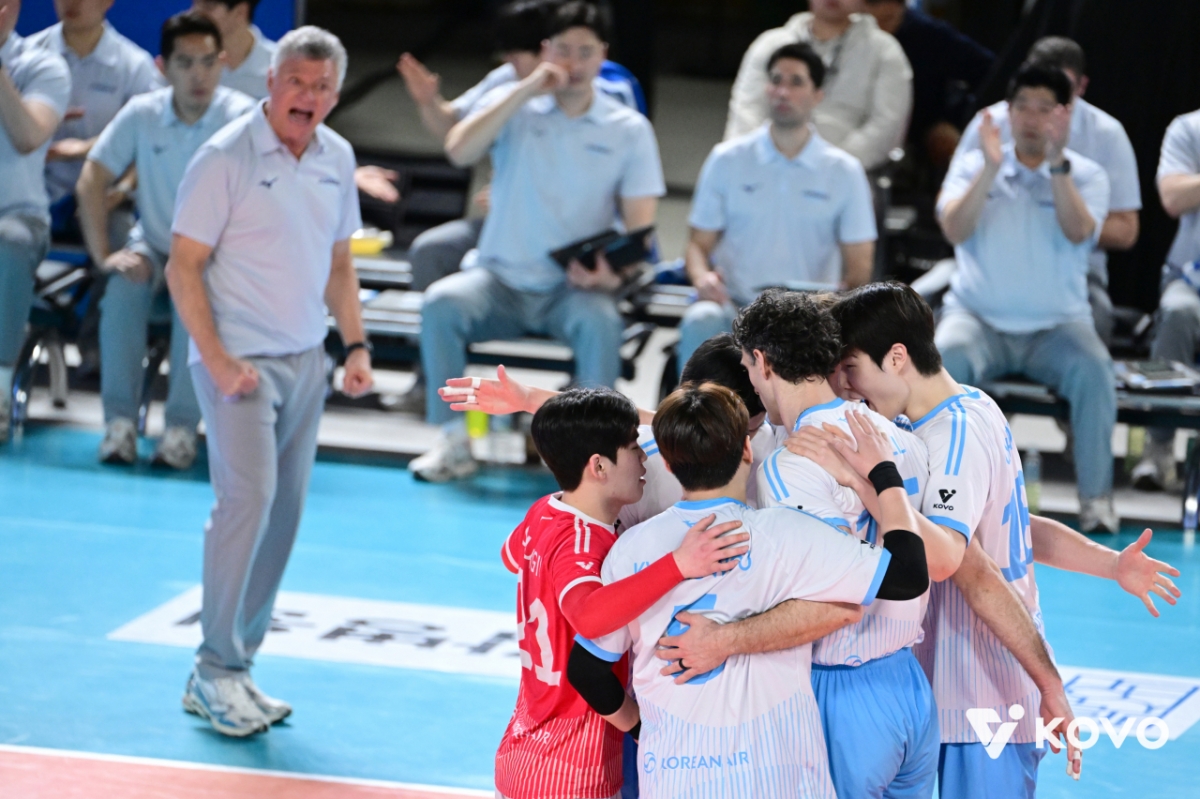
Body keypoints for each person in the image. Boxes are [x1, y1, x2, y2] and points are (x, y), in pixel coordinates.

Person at [830, 282, 1180, 796]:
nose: (849, 386)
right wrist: (1110, 565)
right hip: (974, 695)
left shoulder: (953, 439)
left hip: (977, 697)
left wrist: (870, 481)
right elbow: (1015, 524)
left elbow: (952, 557)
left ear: (897, 357)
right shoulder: (977, 407)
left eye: (853, 368)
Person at [569, 381, 930, 798]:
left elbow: (587, 668)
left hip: (675, 777)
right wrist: (884, 476)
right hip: (780, 779)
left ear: (668, 464)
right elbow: (908, 577)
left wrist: (640, 728)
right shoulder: (787, 532)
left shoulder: (631, 549)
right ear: (746, 450)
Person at [165, 26, 372, 737]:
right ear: (270, 83)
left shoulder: (337, 157)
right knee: (246, 502)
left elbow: (339, 264)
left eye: (320, 88)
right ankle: (213, 664)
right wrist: (217, 360)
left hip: (305, 357)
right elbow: (181, 265)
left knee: (282, 516)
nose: (307, 97)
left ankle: (235, 667)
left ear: (334, 96)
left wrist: (354, 344)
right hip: (239, 363)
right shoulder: (224, 155)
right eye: (296, 83)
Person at [411, 1, 664, 483]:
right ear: (545, 51)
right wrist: (525, 88)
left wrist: (611, 274)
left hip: (571, 292)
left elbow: (639, 229)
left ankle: (594, 460)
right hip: (498, 279)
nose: (572, 61)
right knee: (441, 303)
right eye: (562, 49)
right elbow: (459, 149)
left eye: (585, 51)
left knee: (602, 323)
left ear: (602, 55)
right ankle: (452, 441)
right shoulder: (516, 106)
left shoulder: (627, 130)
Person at [726, 288, 965, 797]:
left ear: (763, 363)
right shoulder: (897, 436)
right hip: (910, 686)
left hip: (838, 691)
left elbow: (833, 603)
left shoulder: (789, 468)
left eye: (747, 366)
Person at [493, 386, 749, 799]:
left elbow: (511, 555)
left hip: (527, 747)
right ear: (599, 466)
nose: (645, 457)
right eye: (633, 447)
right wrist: (678, 564)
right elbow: (591, 616)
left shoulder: (544, 510)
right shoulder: (584, 544)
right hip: (570, 768)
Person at [936, 63, 1118, 532]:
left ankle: (1096, 501)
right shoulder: (976, 164)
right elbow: (953, 228)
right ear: (1008, 112)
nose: (1032, 119)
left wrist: (1057, 166)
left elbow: (1080, 232)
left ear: (1064, 115)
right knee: (940, 359)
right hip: (979, 320)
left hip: (1057, 327)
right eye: (1023, 107)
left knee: (1096, 371)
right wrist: (992, 169)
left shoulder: (1088, 174)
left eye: (1045, 109)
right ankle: (934, 493)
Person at [77, 12, 254, 468]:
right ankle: (119, 427)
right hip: (154, 244)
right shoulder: (142, 115)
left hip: (216, 254)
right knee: (120, 292)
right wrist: (103, 255)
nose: (198, 74)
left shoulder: (243, 119)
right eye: (185, 63)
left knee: (194, 300)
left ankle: (180, 430)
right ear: (163, 67)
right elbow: (91, 179)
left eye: (207, 62)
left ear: (224, 63)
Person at [397, 0, 649, 295]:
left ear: (543, 52)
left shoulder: (610, 95)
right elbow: (456, 139)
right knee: (432, 252)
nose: (510, 63)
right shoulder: (507, 83)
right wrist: (429, 102)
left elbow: (626, 184)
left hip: (582, 237)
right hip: (509, 230)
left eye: (517, 56)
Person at [679, 43, 875, 374]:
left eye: (796, 82)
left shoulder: (845, 171)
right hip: (735, 307)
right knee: (700, 319)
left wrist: (827, 312)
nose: (783, 91)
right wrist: (702, 278)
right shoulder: (727, 159)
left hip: (808, 320)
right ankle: (686, 420)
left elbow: (858, 270)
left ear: (818, 94)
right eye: (775, 80)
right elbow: (698, 245)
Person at [954, 37, 1141, 346]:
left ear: (1081, 87)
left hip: (1075, 275)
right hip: (989, 267)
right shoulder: (988, 123)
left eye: (1059, 91)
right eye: (1032, 91)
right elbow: (950, 208)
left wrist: (1047, 223)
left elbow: (1125, 230)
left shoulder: (1106, 135)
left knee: (1096, 321)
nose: (1040, 108)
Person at [724, 0, 911, 173]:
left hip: (846, 174)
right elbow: (746, 112)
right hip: (767, 166)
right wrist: (765, 160)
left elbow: (887, 125)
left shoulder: (885, 52)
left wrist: (831, 166)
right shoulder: (770, 44)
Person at [26, 0, 159, 240]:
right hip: (33, 189)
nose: (72, 3)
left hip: (105, 192)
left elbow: (146, 138)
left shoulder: (135, 65)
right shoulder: (26, 55)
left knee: (122, 250)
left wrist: (118, 190)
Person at [0, 0, 72, 444]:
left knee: (6, 241)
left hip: (17, 217)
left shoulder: (43, 66)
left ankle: (0, 388)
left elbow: (28, 135)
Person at [1134, 109, 1200, 489]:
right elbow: (1173, 196)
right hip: (1190, 278)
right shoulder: (1188, 128)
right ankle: (1157, 449)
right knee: (1177, 311)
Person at [862, 0, 993, 169]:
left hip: (918, 131)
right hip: (856, 122)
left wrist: (954, 120)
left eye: (890, 17)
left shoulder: (929, 35)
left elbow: (990, 72)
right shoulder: (845, 32)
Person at [191, 0, 273, 99]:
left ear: (240, 12)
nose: (195, 14)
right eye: (195, 4)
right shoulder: (182, 66)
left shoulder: (279, 66)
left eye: (208, 6)